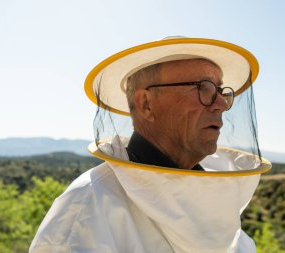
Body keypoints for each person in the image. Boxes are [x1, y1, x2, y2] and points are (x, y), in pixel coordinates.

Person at [30, 37, 271, 253]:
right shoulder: (86, 212)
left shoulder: (219, 207)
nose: (220, 103)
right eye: (203, 87)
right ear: (146, 104)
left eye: (220, 91)